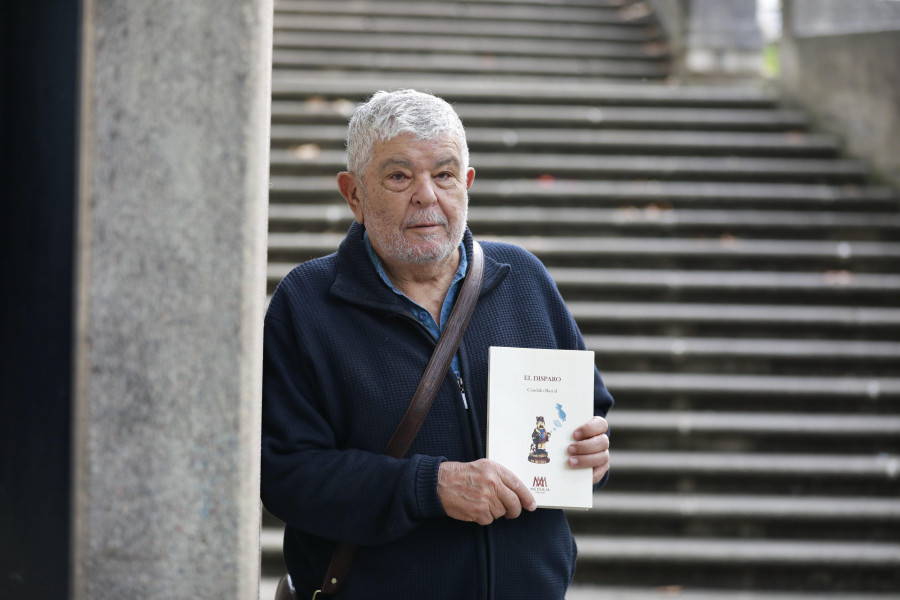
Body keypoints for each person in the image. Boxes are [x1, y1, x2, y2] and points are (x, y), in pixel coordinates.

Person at [261, 89, 613, 600]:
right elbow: (285, 474)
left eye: (444, 174)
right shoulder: (308, 303)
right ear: (354, 194)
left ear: (466, 184)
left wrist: (592, 454)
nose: (427, 195)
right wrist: (430, 487)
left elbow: (587, 425)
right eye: (399, 176)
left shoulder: (525, 282)